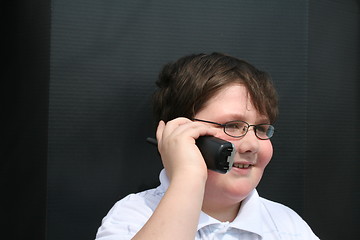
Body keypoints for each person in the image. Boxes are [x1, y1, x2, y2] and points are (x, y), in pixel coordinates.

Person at [95, 53, 320, 239]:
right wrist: (188, 177)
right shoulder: (135, 215)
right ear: (180, 133)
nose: (252, 144)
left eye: (261, 129)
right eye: (232, 125)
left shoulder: (288, 225)